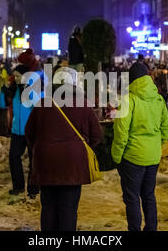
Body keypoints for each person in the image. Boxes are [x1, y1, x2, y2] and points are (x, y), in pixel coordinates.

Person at [25, 67, 102, 231]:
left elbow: (29, 132)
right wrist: (81, 148)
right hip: (72, 166)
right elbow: (97, 135)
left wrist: (40, 148)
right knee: (68, 208)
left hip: (46, 163)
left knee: (48, 207)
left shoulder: (42, 104)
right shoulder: (83, 106)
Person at [111, 62, 168, 231]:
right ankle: (152, 228)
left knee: (132, 198)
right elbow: (166, 127)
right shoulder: (158, 98)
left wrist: (116, 156)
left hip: (132, 157)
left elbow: (121, 132)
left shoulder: (129, 100)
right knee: (149, 195)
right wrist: (157, 144)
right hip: (152, 157)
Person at [0, 63, 40, 198]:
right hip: (17, 131)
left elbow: (38, 105)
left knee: (33, 161)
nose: (14, 78)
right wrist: (3, 91)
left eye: (17, 76)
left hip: (31, 131)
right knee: (13, 157)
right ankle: (18, 186)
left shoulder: (32, 87)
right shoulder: (16, 89)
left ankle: (33, 189)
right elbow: (2, 104)